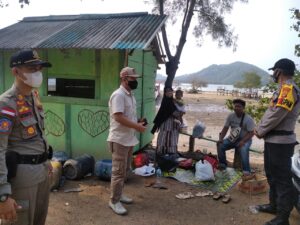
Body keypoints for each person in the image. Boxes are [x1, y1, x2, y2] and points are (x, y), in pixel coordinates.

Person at [0, 49, 52, 225]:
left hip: (42, 173)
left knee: (39, 221)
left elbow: (38, 134)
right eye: (32, 68)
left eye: (39, 68)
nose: (38, 72)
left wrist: (46, 161)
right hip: (22, 179)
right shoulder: (6, 103)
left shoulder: (33, 97)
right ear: (16, 72)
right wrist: (3, 195)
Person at [254, 58, 300, 225]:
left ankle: (282, 218)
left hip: (281, 142)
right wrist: (261, 128)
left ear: (279, 71)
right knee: (272, 175)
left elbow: (277, 114)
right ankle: (274, 205)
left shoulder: (288, 89)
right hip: (273, 140)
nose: (273, 74)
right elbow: (272, 111)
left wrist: (260, 130)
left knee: (282, 179)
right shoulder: (282, 89)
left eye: (274, 71)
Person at [107, 67, 147, 215]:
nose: (135, 81)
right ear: (124, 79)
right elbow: (118, 117)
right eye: (133, 79)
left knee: (124, 170)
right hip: (119, 140)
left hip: (128, 139)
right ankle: (114, 201)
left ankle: (119, 194)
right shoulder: (118, 95)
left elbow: (128, 116)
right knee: (118, 172)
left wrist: (139, 122)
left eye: (135, 79)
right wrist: (136, 126)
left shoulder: (130, 95)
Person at [217, 99, 255, 180]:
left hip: (245, 139)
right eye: (235, 106)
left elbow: (252, 133)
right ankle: (223, 164)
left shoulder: (248, 119)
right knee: (220, 145)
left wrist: (243, 141)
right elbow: (225, 128)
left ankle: (246, 171)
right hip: (233, 138)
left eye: (239, 106)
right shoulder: (230, 116)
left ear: (243, 108)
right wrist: (221, 138)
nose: (237, 108)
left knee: (244, 149)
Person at [151, 87, 181, 155]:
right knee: (164, 137)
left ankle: (170, 153)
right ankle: (162, 153)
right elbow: (173, 112)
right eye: (168, 92)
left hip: (172, 124)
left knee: (171, 138)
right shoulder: (166, 101)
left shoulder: (172, 101)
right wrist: (179, 113)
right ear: (165, 93)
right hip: (166, 123)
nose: (169, 93)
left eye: (171, 91)